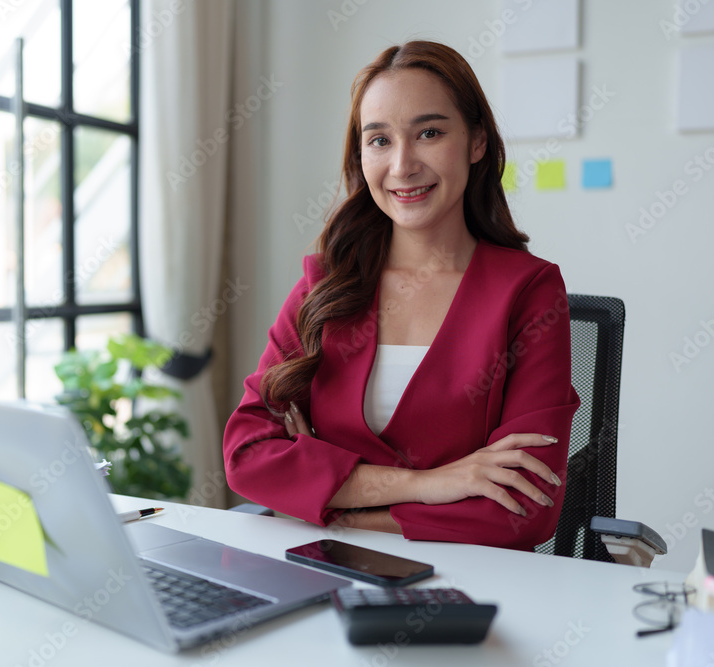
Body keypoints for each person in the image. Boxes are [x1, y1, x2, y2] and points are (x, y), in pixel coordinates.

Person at [222, 41, 580, 550]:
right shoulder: (326, 285)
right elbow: (247, 455)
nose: (403, 165)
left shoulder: (529, 291)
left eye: (429, 133)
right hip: (325, 577)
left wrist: (337, 503)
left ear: (477, 142)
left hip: (464, 589)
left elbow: (525, 509)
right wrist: (432, 484)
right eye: (379, 140)